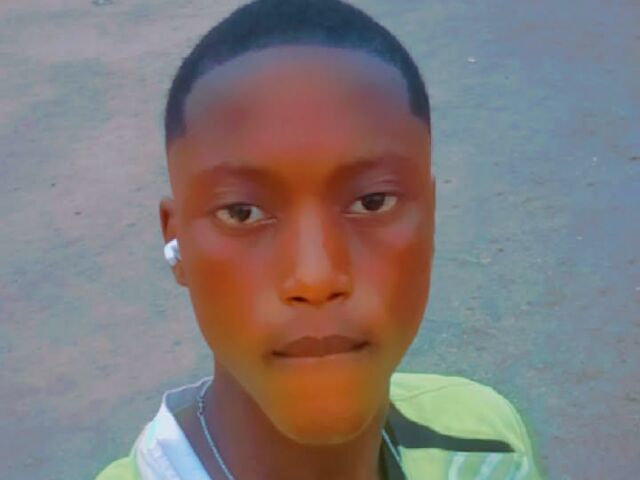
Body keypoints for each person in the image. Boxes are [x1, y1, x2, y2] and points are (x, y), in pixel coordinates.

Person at [96, 0, 542, 478]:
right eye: (242, 212)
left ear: (430, 218)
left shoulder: (487, 448)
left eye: (372, 202)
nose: (315, 278)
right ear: (177, 241)